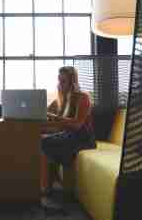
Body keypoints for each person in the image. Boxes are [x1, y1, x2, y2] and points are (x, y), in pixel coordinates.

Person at [41, 66, 96, 196]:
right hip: (69, 135)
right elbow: (55, 121)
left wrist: (55, 117)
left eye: (63, 81)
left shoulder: (83, 97)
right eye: (59, 80)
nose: (59, 84)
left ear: (72, 82)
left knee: (42, 142)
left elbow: (77, 125)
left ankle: (45, 187)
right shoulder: (62, 99)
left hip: (83, 139)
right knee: (41, 138)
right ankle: (46, 184)